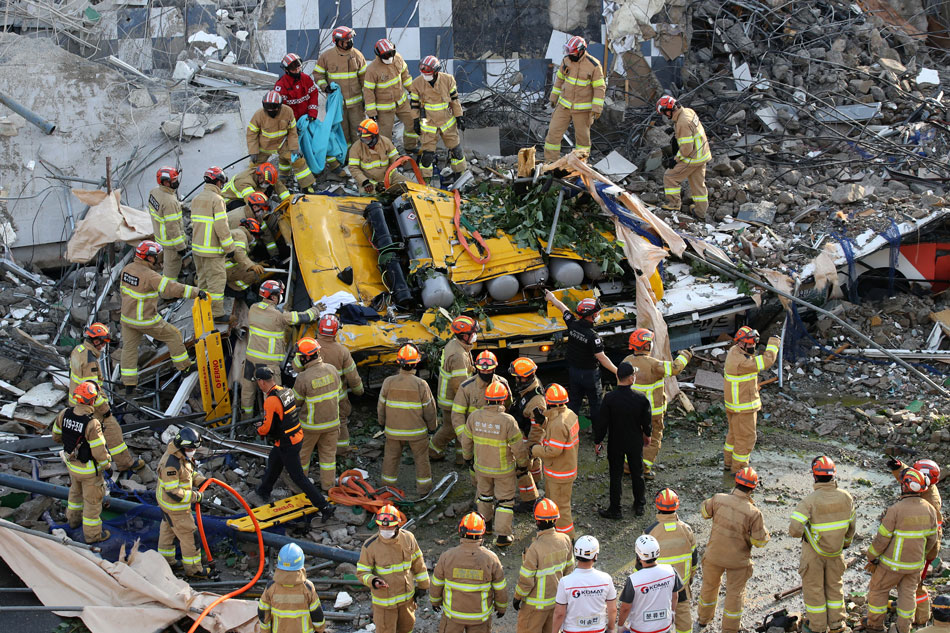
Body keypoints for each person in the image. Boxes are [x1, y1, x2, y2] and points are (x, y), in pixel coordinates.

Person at [247, 366, 334, 522]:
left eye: (258, 382)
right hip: (294, 437)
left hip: (287, 443)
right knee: (274, 463)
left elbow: (267, 427)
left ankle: (325, 506)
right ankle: (263, 492)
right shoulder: (285, 391)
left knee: (298, 477)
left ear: (261, 382)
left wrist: (259, 430)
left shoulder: (270, 400)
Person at [119, 240, 204, 393]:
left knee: (129, 350)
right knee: (173, 335)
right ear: (149, 257)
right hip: (145, 319)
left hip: (127, 318)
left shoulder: (127, 269)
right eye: (156, 256)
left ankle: (129, 384)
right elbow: (172, 289)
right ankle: (184, 367)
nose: (159, 258)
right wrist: (196, 292)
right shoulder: (150, 275)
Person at [865, 467, 939, 633]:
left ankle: (875, 626)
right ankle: (903, 628)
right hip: (914, 566)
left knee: (878, 591)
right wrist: (922, 555)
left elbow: (882, 539)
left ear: (905, 487)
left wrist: (871, 556)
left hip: (891, 565)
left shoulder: (896, 509)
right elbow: (932, 540)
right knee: (908, 595)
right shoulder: (930, 509)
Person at [697, 467, 770, 633]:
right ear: (753, 488)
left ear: (736, 482)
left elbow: (704, 512)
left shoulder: (718, 499)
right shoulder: (754, 513)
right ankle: (729, 629)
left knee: (709, 587)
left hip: (714, 555)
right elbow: (760, 542)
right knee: (735, 594)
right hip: (738, 561)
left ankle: (703, 620)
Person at [788, 456, 856, 633]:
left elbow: (794, 530)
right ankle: (837, 625)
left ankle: (817, 627)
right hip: (836, 553)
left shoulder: (809, 501)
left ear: (814, 476)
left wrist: (807, 533)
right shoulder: (847, 498)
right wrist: (844, 544)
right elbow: (851, 528)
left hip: (814, 554)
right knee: (835, 588)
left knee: (814, 590)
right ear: (834, 475)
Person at [69, 322, 147, 476]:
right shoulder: (90, 360)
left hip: (75, 402)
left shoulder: (78, 350)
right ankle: (125, 463)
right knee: (113, 430)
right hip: (90, 405)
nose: (104, 346)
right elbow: (91, 391)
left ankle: (83, 461)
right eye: (103, 343)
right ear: (96, 341)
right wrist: (104, 409)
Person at [460, 381, 527, 547]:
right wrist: (523, 464)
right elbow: (518, 447)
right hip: (503, 469)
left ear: (486, 399)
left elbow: (466, 441)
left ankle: (486, 526)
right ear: (503, 400)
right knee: (505, 501)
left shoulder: (474, 417)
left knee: (484, 496)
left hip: (481, 468)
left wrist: (468, 458)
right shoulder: (508, 421)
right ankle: (503, 536)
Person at [240, 279, 317, 417]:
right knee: (272, 397)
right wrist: (316, 310)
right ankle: (271, 424)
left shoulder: (253, 308)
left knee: (247, 393)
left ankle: (245, 421)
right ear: (274, 297)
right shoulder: (278, 316)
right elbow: (302, 317)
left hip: (250, 361)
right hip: (268, 365)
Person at [623, 328, 692, 478]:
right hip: (652, 413)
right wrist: (685, 355)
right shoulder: (654, 365)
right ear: (647, 346)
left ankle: (628, 466)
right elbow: (675, 368)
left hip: (630, 412)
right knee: (652, 440)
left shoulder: (626, 362)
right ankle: (644, 468)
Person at [544, 290, 616, 425]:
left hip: (574, 372)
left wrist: (552, 298)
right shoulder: (593, 337)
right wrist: (617, 372)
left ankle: (569, 427)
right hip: (590, 375)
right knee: (596, 405)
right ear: (590, 316)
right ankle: (598, 434)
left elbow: (562, 308)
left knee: (574, 402)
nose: (598, 315)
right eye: (596, 313)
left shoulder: (572, 324)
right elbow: (602, 358)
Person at [52, 381, 112, 543]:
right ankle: (93, 536)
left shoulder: (64, 413)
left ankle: (72, 521)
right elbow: (99, 452)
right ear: (91, 400)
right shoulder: (92, 423)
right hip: (89, 472)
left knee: (74, 496)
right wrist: (107, 466)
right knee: (92, 504)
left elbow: (56, 436)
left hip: (72, 466)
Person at [430, 512, 507, 633]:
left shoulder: (447, 556)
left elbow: (437, 583)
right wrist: (501, 608)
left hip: (453, 617)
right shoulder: (491, 559)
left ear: (461, 531)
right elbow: (500, 588)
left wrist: (435, 601)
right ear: (482, 532)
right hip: (480, 618)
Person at [888, 457, 943, 625]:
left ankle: (920, 618)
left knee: (916, 585)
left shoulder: (930, 503)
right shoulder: (925, 485)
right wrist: (898, 468)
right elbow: (910, 476)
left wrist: (927, 556)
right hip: (922, 547)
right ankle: (912, 611)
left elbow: (932, 535)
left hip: (924, 548)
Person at [357, 504, 429, 633]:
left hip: (406, 599)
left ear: (397, 525)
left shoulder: (408, 538)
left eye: (388, 526)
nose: (385, 529)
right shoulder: (370, 546)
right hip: (384, 604)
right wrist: (373, 581)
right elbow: (362, 572)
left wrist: (423, 586)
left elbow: (418, 563)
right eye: (382, 526)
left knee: (407, 628)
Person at [593, 361, 652, 519]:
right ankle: (639, 504)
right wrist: (648, 434)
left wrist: (598, 441)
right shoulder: (640, 398)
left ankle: (615, 509)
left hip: (616, 442)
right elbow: (646, 420)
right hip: (634, 441)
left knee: (615, 475)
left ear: (618, 377)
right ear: (631, 378)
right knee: (637, 473)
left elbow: (602, 422)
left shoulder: (610, 398)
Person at [377, 344, 437, 495]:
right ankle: (424, 491)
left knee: (390, 459)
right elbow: (430, 410)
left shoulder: (388, 382)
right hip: (416, 433)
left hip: (393, 432)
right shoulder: (421, 384)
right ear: (416, 363)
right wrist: (432, 427)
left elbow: (381, 407)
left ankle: (387, 490)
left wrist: (382, 423)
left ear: (399, 363)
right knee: (422, 460)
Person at [722, 326, 780, 473]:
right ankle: (739, 470)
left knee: (734, 437)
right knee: (746, 439)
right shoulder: (743, 362)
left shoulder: (734, 352)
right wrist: (774, 343)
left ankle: (729, 463)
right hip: (744, 408)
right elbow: (766, 362)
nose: (753, 347)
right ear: (741, 343)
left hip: (734, 406)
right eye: (751, 344)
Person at [156, 427, 211, 577]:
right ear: (182, 445)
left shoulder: (180, 455)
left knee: (168, 532)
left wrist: (201, 481)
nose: (192, 451)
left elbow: (188, 474)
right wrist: (196, 497)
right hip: (175, 507)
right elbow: (173, 492)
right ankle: (194, 570)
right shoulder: (171, 464)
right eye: (190, 448)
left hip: (167, 506)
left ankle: (166, 562)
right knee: (189, 536)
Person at [513, 499, 574, 633]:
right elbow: (569, 570)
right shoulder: (565, 540)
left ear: (537, 521)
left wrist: (517, 597)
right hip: (555, 602)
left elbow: (526, 580)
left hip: (534, 607)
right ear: (556, 519)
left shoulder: (535, 548)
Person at [528, 384, 579, 538]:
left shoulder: (558, 423)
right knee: (552, 502)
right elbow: (559, 436)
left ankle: (567, 537)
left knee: (561, 507)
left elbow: (554, 450)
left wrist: (534, 449)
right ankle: (554, 530)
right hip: (561, 470)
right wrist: (543, 422)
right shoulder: (569, 415)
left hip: (560, 473)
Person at [544, 36, 605, 163]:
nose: (570, 54)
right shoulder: (566, 61)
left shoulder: (593, 65)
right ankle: (550, 164)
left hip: (583, 110)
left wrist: (597, 108)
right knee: (552, 135)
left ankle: (580, 166)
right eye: (568, 51)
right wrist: (554, 97)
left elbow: (600, 88)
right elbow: (559, 79)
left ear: (581, 51)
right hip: (564, 106)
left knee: (582, 141)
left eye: (573, 51)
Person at [292, 337, 342, 491]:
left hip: (310, 427)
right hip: (332, 424)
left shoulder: (303, 378)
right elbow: (338, 392)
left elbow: (296, 402)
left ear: (305, 357)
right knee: (328, 458)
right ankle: (328, 487)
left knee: (302, 457)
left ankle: (301, 487)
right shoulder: (332, 369)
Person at [645, 489, 697, 633]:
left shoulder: (650, 532)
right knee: (684, 618)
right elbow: (694, 559)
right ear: (677, 505)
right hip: (680, 584)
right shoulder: (686, 530)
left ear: (657, 506)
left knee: (657, 620)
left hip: (657, 587)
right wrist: (689, 580)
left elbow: (641, 563)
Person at [409, 55, 466, 182]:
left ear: (436, 71)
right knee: (427, 155)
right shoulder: (417, 83)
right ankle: (425, 182)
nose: (425, 76)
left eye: (428, 73)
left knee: (456, 151)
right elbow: (414, 105)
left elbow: (455, 100)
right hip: (428, 123)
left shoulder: (448, 80)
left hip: (447, 122)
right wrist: (415, 121)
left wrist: (459, 116)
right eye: (423, 73)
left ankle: (459, 178)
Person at [429, 315, 477, 462]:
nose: (475, 336)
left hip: (450, 397)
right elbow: (459, 385)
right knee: (450, 428)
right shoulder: (458, 355)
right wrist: (469, 403)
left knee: (460, 427)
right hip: (452, 399)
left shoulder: (457, 345)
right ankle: (433, 451)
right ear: (464, 336)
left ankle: (461, 458)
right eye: (473, 333)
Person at [314, 314, 364, 455]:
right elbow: (353, 377)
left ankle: (318, 448)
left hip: (314, 397)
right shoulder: (342, 351)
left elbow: (297, 368)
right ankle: (341, 450)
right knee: (341, 422)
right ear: (336, 331)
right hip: (337, 398)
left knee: (314, 421)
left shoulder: (311, 347)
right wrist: (359, 391)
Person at [191, 165, 235, 322]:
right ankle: (216, 314)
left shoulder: (196, 199)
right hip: (212, 251)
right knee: (216, 282)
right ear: (218, 182)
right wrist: (229, 248)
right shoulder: (217, 200)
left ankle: (203, 310)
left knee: (203, 281)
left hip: (197, 249)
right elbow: (221, 226)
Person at [247, 90, 315, 192]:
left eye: (273, 109)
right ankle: (253, 189)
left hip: (283, 144)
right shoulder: (258, 115)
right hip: (264, 146)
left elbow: (292, 131)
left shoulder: (288, 111)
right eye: (268, 109)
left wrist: (294, 148)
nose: (270, 111)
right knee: (254, 167)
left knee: (298, 161)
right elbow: (251, 134)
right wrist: (253, 151)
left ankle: (306, 186)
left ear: (279, 106)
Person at [657, 95, 711, 219]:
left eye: (665, 113)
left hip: (693, 157)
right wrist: (675, 130)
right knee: (698, 185)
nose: (666, 116)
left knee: (670, 177)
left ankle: (674, 204)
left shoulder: (682, 122)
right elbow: (691, 130)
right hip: (702, 154)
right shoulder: (688, 111)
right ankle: (700, 213)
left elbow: (686, 149)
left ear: (669, 110)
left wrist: (675, 160)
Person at [617, 535, 685, 633]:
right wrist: (672, 612)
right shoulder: (671, 571)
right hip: (664, 627)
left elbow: (625, 608)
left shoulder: (633, 580)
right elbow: (675, 596)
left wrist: (620, 626)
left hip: (640, 629)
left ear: (638, 554)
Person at [314, 26, 367, 145]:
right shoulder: (326, 56)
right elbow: (318, 74)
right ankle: (346, 160)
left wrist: (366, 99)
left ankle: (358, 158)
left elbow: (365, 80)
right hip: (337, 105)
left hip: (356, 105)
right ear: (337, 42)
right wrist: (325, 87)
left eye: (350, 40)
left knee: (358, 132)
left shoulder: (358, 55)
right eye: (346, 41)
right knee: (341, 133)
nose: (349, 43)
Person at [552, 535, 616, 633]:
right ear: (595, 555)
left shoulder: (565, 582)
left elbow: (559, 613)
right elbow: (612, 610)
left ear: (576, 554)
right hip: (598, 630)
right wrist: (611, 628)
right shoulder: (606, 579)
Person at [363, 39, 417, 153]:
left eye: (391, 53)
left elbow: (405, 77)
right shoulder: (372, 70)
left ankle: (410, 147)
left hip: (401, 102)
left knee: (412, 123)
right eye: (386, 55)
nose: (389, 57)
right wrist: (371, 113)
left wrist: (413, 91)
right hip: (385, 108)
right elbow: (368, 92)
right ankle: (386, 156)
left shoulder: (398, 58)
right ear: (379, 55)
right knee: (385, 135)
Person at [258, 543, 326, 633]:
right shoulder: (307, 587)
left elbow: (263, 612)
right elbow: (317, 614)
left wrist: (265, 631)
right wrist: (320, 630)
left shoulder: (271, 587)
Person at [507, 357, 545, 511]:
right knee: (534, 462)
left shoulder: (536, 402)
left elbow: (538, 429)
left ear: (524, 378)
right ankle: (536, 483)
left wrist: (529, 448)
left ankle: (529, 500)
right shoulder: (529, 390)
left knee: (521, 468)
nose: (515, 380)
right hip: (527, 433)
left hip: (529, 437)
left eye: (517, 377)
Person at [452, 350, 511, 441]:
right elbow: (457, 414)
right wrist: (464, 437)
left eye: (489, 370)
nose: (486, 373)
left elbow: (508, 407)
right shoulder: (466, 387)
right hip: (475, 435)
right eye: (483, 370)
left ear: (494, 368)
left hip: (497, 433)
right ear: (478, 369)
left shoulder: (502, 383)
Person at [347, 118, 406, 194]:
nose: (364, 141)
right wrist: (364, 182)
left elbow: (394, 157)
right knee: (367, 197)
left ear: (375, 136)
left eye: (367, 138)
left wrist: (399, 160)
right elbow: (353, 168)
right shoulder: (356, 148)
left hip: (390, 177)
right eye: (362, 139)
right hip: (370, 182)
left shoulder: (386, 142)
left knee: (411, 186)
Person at [147, 166, 186, 280]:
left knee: (167, 262)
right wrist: (180, 246)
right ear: (165, 182)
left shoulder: (154, 191)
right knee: (171, 270)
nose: (176, 182)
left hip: (159, 236)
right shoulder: (170, 201)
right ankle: (168, 295)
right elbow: (172, 227)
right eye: (173, 180)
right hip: (170, 242)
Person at [224, 215, 266, 296]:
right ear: (251, 232)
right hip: (224, 267)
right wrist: (252, 266)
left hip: (221, 264)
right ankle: (235, 291)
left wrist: (256, 264)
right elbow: (238, 252)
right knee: (252, 275)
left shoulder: (237, 232)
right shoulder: (241, 235)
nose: (255, 239)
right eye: (256, 236)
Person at [274, 52, 320, 121]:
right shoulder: (281, 85)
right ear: (286, 70)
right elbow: (281, 108)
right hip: (291, 121)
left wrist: (312, 114)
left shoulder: (306, 78)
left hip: (307, 119)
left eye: (298, 68)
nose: (297, 71)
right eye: (293, 69)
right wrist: (290, 123)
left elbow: (313, 95)